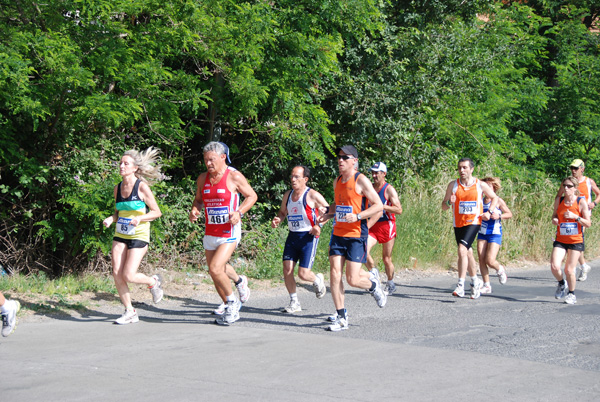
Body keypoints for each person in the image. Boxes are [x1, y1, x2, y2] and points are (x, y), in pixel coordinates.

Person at [317, 145, 385, 332]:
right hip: (338, 234)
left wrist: (358, 216)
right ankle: (341, 316)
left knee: (353, 279)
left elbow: (378, 205)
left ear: (354, 161)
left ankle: (373, 286)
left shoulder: (361, 180)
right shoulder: (337, 181)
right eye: (338, 157)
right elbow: (339, 204)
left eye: (345, 157)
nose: (340, 161)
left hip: (356, 235)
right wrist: (328, 214)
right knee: (334, 274)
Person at [189, 141, 257, 325]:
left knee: (215, 268)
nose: (208, 164)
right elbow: (198, 200)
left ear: (222, 157)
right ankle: (239, 282)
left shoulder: (233, 176)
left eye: (212, 160)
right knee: (215, 272)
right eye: (205, 160)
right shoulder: (202, 178)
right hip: (211, 231)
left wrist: (239, 212)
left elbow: (252, 196)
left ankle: (232, 304)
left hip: (229, 230)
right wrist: (195, 210)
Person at [102, 147, 164, 325]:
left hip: (139, 235)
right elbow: (118, 213)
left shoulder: (141, 187)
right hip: (121, 234)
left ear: (135, 167)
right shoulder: (118, 188)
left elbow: (156, 212)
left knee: (129, 275)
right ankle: (130, 311)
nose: (121, 166)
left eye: (126, 163)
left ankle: (153, 282)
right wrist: (110, 219)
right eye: (120, 163)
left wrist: (140, 218)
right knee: (116, 273)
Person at [271, 165, 329, 313]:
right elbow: (283, 212)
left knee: (303, 274)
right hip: (293, 235)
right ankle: (294, 301)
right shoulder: (288, 195)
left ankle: (317, 280)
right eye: (292, 176)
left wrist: (319, 226)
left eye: (297, 177)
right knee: (287, 269)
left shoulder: (313, 195)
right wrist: (278, 218)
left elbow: (329, 211)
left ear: (305, 179)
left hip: (308, 236)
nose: (293, 179)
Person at [442, 158, 498, 299]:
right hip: (458, 223)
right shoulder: (453, 185)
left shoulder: (480, 185)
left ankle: (460, 285)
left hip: (474, 222)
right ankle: (475, 281)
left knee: (462, 249)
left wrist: (489, 211)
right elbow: (444, 206)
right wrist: (449, 202)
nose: (462, 170)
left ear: (471, 169)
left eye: (465, 168)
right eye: (460, 168)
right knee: (468, 253)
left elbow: (495, 198)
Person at [555, 159, 600, 281]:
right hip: (568, 213)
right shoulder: (567, 183)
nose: (573, 171)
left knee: (576, 238)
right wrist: (557, 210)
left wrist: (594, 203)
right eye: (572, 168)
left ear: (582, 169)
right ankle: (583, 266)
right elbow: (559, 195)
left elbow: (599, 194)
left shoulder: (588, 181)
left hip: (582, 215)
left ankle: (575, 267)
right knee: (571, 239)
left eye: (576, 168)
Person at [551, 176, 591, 304]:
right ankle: (562, 283)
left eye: (569, 186)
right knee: (554, 266)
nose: (566, 188)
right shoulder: (559, 200)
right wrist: (555, 220)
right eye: (564, 186)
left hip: (575, 241)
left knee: (569, 270)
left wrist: (576, 217)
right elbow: (554, 216)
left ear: (575, 188)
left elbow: (588, 223)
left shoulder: (581, 201)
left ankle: (572, 294)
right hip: (561, 239)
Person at [365, 162, 403, 295]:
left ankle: (391, 282)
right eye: (373, 173)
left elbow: (399, 209)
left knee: (386, 258)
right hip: (372, 224)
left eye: (377, 173)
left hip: (387, 224)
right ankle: (373, 274)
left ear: (384, 174)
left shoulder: (389, 189)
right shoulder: (369, 188)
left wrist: (382, 206)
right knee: (364, 248)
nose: (374, 175)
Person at [476, 177, 513, 294]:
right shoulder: (479, 200)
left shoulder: (498, 201)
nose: (487, 188)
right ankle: (487, 285)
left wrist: (499, 216)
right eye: (485, 186)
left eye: (490, 186)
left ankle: (500, 269)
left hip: (494, 233)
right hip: (482, 232)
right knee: (481, 259)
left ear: (494, 188)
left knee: (490, 260)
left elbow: (509, 214)